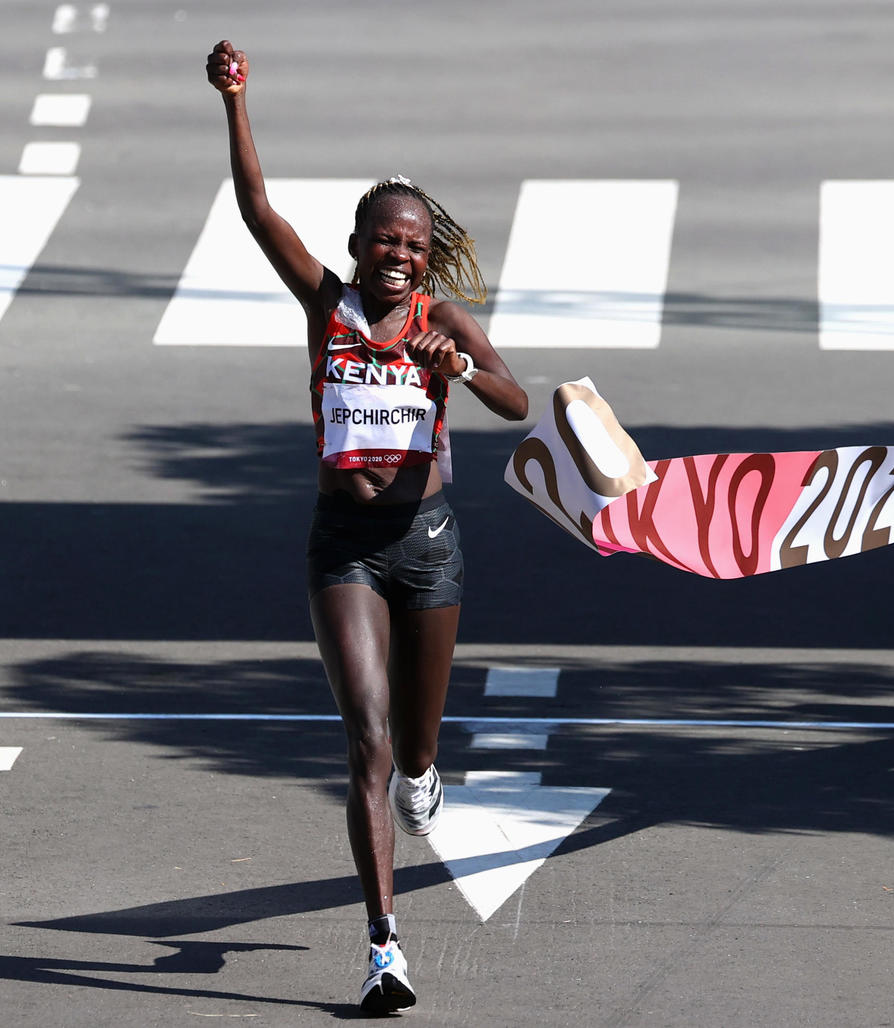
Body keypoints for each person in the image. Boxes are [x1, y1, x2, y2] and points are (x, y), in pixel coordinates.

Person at [205, 40, 529, 1014]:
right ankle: (384, 947)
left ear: (426, 257)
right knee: (367, 745)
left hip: (427, 547)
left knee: (418, 752)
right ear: (356, 246)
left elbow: (516, 401)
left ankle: (429, 775)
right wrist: (235, 102)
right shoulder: (327, 304)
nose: (398, 254)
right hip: (341, 548)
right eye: (384, 239)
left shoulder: (445, 318)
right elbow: (260, 211)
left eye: (413, 244)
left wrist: (459, 368)